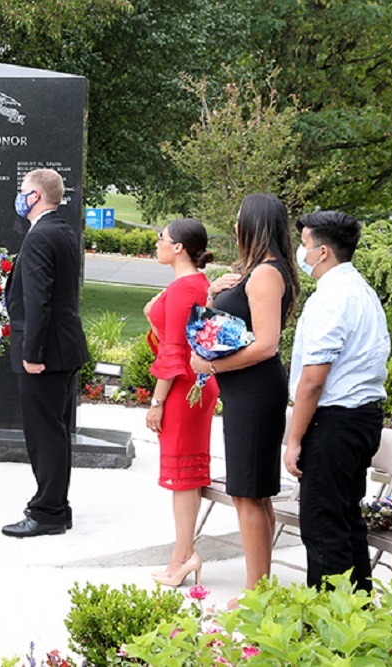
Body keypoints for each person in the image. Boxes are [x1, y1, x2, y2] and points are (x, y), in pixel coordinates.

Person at [191, 193, 298, 593]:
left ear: (253, 224)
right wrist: (212, 295)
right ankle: (262, 588)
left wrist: (212, 366)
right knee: (253, 494)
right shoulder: (255, 271)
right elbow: (229, 327)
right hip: (245, 393)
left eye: (239, 219)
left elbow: (266, 344)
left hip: (255, 392)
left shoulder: (267, 273)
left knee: (248, 494)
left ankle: (257, 594)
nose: (235, 226)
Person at [284, 211, 389, 592]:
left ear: (323, 251)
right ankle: (358, 622)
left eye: (305, 244)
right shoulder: (360, 290)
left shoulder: (333, 297)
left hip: (336, 422)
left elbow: (313, 380)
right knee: (347, 521)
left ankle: (328, 631)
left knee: (323, 525)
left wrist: (294, 439)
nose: (302, 251)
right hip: (362, 419)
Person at [1, 168, 89, 538]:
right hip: (64, 347)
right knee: (55, 430)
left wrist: (32, 352)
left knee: (44, 434)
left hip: (45, 352)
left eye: (23, 191)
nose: (19, 197)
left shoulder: (41, 237)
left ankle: (48, 511)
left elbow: (39, 301)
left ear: (35, 196)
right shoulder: (63, 231)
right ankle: (56, 505)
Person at [144, 219, 218, 585]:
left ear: (178, 248)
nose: (157, 243)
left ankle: (184, 557)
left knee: (183, 476)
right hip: (194, 385)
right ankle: (183, 554)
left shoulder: (185, 287)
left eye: (161, 239)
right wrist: (150, 317)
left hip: (184, 389)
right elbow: (177, 340)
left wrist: (157, 401)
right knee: (183, 474)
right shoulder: (195, 285)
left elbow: (175, 352)